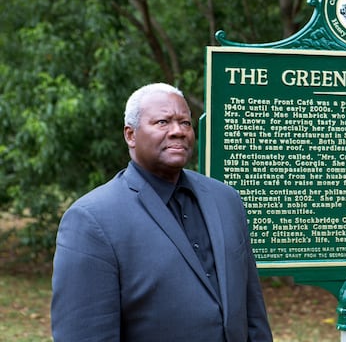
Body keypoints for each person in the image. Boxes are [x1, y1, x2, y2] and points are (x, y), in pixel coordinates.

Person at [51, 83, 273, 342]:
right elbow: (84, 334)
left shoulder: (226, 200)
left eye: (185, 123)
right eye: (162, 122)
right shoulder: (92, 219)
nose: (178, 131)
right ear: (130, 135)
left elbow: (252, 312)